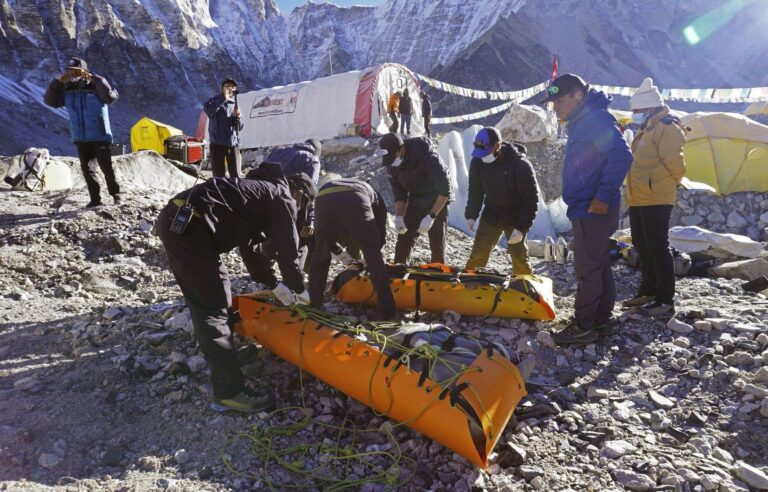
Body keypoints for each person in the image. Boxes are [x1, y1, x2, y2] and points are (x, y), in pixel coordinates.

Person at [157, 162, 308, 413]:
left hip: (179, 221)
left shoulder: (253, 193)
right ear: (299, 194)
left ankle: (227, 355)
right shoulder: (280, 195)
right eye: (300, 204)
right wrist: (298, 288)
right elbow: (288, 249)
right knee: (211, 308)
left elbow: (250, 251)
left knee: (218, 293)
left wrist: (273, 283)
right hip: (191, 228)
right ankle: (229, 393)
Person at [542, 74, 633, 346]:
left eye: (560, 100)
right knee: (599, 263)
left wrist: (603, 196)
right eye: (553, 102)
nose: (555, 106)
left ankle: (583, 325)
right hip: (587, 205)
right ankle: (601, 320)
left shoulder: (595, 120)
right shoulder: (583, 121)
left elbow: (622, 155)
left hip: (593, 207)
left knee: (588, 268)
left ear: (578, 96)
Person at [623, 78, 686, 317]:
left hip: (656, 196)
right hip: (639, 197)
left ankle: (665, 300)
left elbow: (676, 165)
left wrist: (661, 184)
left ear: (649, 108)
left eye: (637, 110)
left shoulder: (667, 128)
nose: (634, 114)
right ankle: (648, 291)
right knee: (642, 245)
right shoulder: (647, 128)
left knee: (658, 248)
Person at [308, 178, 395, 320]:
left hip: (323, 195)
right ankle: (387, 310)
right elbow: (380, 234)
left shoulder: (359, 188)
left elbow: (324, 239)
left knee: (320, 253)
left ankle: (314, 303)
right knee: (373, 256)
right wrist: (371, 257)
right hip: (355, 197)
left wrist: (342, 254)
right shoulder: (377, 198)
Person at [44, 57, 120, 208]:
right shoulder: (67, 89)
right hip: (80, 136)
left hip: (100, 135)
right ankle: (95, 200)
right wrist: (58, 82)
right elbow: (50, 101)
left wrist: (94, 78)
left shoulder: (95, 85)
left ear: (85, 71)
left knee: (106, 167)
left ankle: (116, 196)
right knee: (87, 170)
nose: (73, 74)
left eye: (77, 71)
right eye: (70, 71)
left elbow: (110, 98)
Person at [465, 127, 539, 275]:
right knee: (478, 254)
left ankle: (525, 289)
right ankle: (469, 284)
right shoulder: (477, 162)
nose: (483, 157)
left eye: (486, 152)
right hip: (491, 213)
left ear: (497, 146)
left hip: (515, 216)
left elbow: (531, 200)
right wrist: (471, 215)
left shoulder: (520, 165)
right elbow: (475, 191)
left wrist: (521, 228)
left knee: (519, 259)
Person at [377, 133, 452, 264]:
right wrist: (399, 217)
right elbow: (399, 193)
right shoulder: (392, 165)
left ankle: (438, 276)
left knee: (437, 245)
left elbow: (445, 190)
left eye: (392, 157)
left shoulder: (428, 158)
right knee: (403, 240)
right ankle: (399, 273)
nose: (391, 162)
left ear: (401, 149)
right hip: (416, 199)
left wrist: (431, 217)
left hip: (438, 200)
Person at [246, 171, 316, 288]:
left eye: (303, 201)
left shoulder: (306, 197)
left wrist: (310, 223)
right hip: (273, 235)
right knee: (268, 250)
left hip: (298, 236)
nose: (300, 203)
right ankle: (265, 276)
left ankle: (294, 280)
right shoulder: (275, 195)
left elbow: (312, 209)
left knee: (298, 256)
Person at [204, 78, 243, 178]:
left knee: (236, 175)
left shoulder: (235, 105)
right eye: (227, 86)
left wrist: (238, 117)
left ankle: (235, 193)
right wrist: (223, 99)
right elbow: (208, 110)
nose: (230, 88)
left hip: (232, 145)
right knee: (218, 176)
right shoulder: (214, 100)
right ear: (222, 89)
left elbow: (240, 127)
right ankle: (219, 193)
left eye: (232, 87)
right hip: (217, 145)